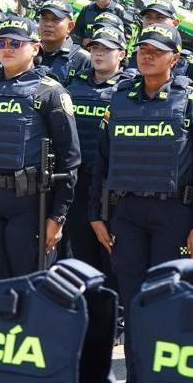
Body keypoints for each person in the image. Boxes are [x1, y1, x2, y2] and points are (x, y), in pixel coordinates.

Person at [88, 24, 193, 383]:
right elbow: (102, 161)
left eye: (157, 51)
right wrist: (97, 213)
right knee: (135, 302)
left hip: (174, 214)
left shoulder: (191, 99)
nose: (147, 56)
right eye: (142, 49)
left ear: (175, 59)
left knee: (168, 301)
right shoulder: (120, 98)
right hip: (128, 214)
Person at [0, 16, 79, 278]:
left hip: (28, 205)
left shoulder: (50, 92)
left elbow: (70, 159)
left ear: (34, 48)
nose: (7, 49)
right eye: (2, 43)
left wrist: (58, 217)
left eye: (16, 43)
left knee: (28, 283)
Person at [65, 26, 131, 278]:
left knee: (114, 256)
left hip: (112, 184)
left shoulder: (130, 89)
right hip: (78, 180)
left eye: (106, 49)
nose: (99, 53)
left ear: (121, 54)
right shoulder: (74, 85)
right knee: (82, 253)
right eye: (95, 48)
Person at [128, 0, 193, 83]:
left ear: (175, 23)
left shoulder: (191, 65)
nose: (152, 22)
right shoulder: (137, 55)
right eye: (148, 17)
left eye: (160, 17)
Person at [37, 0, 92, 84]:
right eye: (44, 18)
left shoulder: (83, 60)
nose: (48, 24)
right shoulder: (28, 52)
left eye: (55, 19)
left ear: (70, 26)